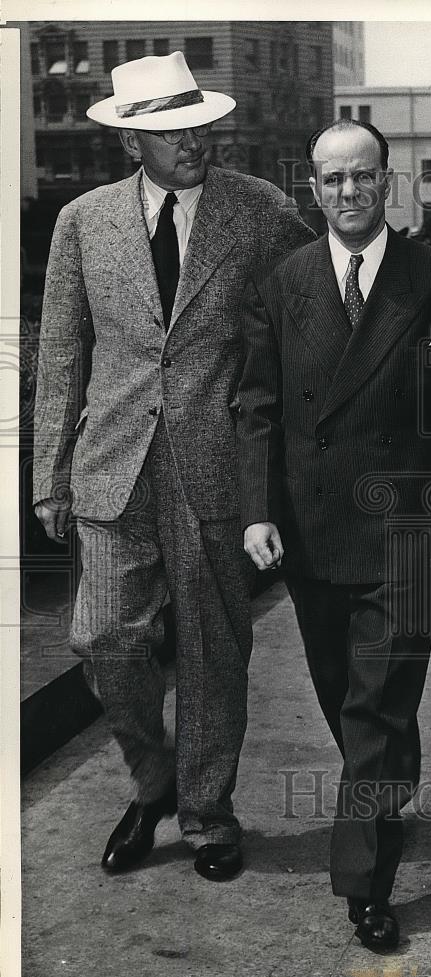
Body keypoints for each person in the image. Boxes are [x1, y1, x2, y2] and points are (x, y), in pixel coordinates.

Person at [33, 51, 313, 881]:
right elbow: (58, 357)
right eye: (170, 130)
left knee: (213, 648)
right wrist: (49, 475)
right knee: (101, 636)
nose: (193, 140)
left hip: (217, 467)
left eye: (198, 123)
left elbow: (316, 299)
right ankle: (152, 783)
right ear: (132, 143)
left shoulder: (260, 212)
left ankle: (206, 811)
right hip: (112, 464)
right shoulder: (82, 222)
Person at [236, 119, 431, 949]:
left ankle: (363, 884)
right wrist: (256, 509)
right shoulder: (282, 284)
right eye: (332, 180)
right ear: (314, 189)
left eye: (363, 178)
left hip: (407, 531)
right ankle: (391, 790)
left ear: (388, 183)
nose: (349, 194)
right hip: (313, 536)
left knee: (376, 706)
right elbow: (256, 410)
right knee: (350, 703)